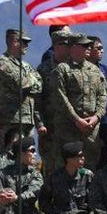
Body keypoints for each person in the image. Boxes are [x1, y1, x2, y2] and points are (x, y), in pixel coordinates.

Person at [51, 34, 107, 167]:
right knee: (66, 167)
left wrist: (96, 117)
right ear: (74, 47)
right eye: (85, 45)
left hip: (90, 130)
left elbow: (102, 96)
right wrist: (77, 119)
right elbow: (60, 98)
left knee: (90, 167)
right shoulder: (62, 69)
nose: (89, 48)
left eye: (89, 45)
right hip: (68, 129)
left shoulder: (95, 70)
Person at [0, 28, 43, 151]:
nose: (26, 46)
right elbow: (19, 84)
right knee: (9, 156)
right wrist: (30, 80)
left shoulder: (25, 66)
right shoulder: (2, 62)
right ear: (14, 42)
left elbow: (39, 86)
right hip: (10, 121)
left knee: (26, 156)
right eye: (24, 42)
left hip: (27, 120)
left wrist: (28, 82)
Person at [36, 142, 97, 214]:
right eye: (80, 156)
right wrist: (55, 213)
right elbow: (43, 202)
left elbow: (94, 200)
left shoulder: (87, 175)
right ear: (69, 159)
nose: (83, 158)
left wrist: (84, 210)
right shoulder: (54, 177)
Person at [0, 137, 43, 214]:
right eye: (32, 150)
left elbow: (35, 191)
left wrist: (17, 198)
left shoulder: (34, 174)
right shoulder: (3, 173)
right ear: (21, 153)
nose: (35, 154)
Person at [37, 27, 72, 176]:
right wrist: (39, 123)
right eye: (65, 44)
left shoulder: (75, 67)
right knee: (51, 169)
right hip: (50, 129)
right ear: (56, 46)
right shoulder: (43, 69)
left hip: (72, 126)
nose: (69, 48)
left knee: (70, 166)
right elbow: (37, 99)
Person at [88, 36, 107, 168]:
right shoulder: (84, 69)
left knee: (104, 151)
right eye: (98, 48)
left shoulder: (104, 69)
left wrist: (99, 89)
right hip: (88, 117)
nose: (102, 51)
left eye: (102, 48)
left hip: (105, 119)